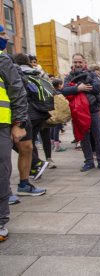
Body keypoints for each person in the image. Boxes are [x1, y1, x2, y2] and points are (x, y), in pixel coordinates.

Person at [0, 24, 30, 241]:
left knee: (1, 173)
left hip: (2, 125)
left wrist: (18, 123)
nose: (6, 37)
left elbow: (17, 91)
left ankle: (0, 220)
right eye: (2, 34)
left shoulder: (3, 60)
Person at [62, 53, 100, 172]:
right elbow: (64, 90)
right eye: (75, 62)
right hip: (78, 112)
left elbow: (97, 87)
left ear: (84, 62)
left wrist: (81, 87)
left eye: (80, 62)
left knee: (98, 136)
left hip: (93, 110)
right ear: (72, 63)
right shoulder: (68, 76)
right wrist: (78, 88)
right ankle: (89, 161)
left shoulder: (92, 74)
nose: (77, 64)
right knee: (84, 138)